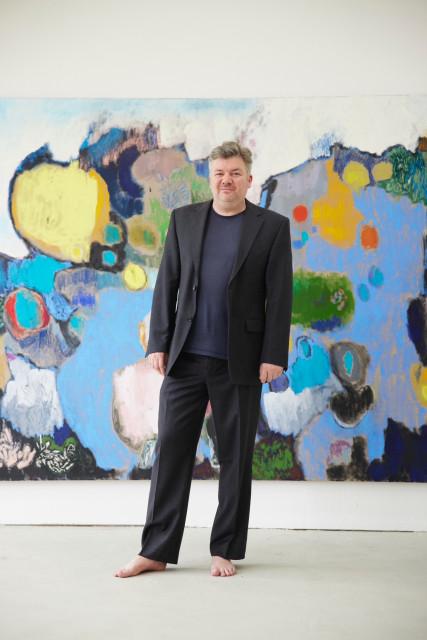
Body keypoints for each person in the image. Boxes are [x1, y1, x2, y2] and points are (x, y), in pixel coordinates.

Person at [115, 140, 293, 578]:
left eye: (235, 173)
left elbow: (280, 295)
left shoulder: (271, 227)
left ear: (248, 179)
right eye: (219, 173)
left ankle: (224, 549)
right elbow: (167, 285)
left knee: (235, 458)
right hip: (186, 358)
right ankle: (155, 550)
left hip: (242, 360)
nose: (226, 180)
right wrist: (158, 343)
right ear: (210, 178)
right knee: (171, 454)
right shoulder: (185, 220)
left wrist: (273, 354)